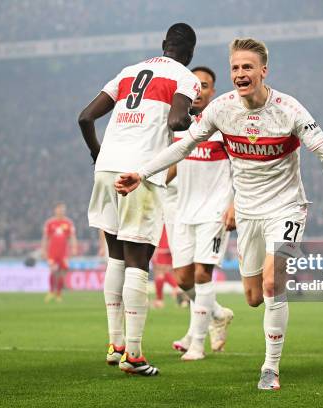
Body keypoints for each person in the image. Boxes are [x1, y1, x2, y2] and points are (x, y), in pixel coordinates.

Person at [116, 38, 323, 390]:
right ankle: (228, 318)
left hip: (286, 208)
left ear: (263, 71)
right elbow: (184, 145)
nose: (241, 73)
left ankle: (270, 367)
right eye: (236, 67)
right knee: (254, 296)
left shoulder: (289, 109)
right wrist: (143, 173)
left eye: (248, 67)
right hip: (249, 212)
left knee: (272, 282)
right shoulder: (222, 109)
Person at [78, 23, 201, 376]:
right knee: (137, 261)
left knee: (114, 257)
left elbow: (85, 116)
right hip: (139, 173)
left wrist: (97, 153)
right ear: (190, 54)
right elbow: (177, 120)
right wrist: (194, 114)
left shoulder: (129, 71)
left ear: (164, 45)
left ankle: (115, 343)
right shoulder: (184, 77)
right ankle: (133, 354)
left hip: (105, 168)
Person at [166, 66, 236, 360]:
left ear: (212, 91)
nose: (199, 90)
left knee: (201, 273)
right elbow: (172, 165)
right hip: (183, 209)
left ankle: (197, 344)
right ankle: (217, 314)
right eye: (195, 85)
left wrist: (234, 203)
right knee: (183, 279)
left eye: (205, 85)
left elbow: (241, 167)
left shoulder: (224, 125)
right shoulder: (179, 125)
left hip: (215, 210)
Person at [41, 202, 77, 303]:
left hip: (63, 253)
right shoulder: (50, 223)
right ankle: (51, 291)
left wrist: (74, 248)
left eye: (63, 209)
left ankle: (58, 294)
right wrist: (43, 250)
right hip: (52, 252)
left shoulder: (68, 223)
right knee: (53, 271)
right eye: (59, 209)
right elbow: (45, 238)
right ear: (55, 210)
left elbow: (72, 237)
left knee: (62, 273)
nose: (61, 211)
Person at [151, 225, 180, 309]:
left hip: (163, 244)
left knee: (160, 273)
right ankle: (177, 289)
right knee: (163, 272)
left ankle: (160, 300)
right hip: (170, 243)